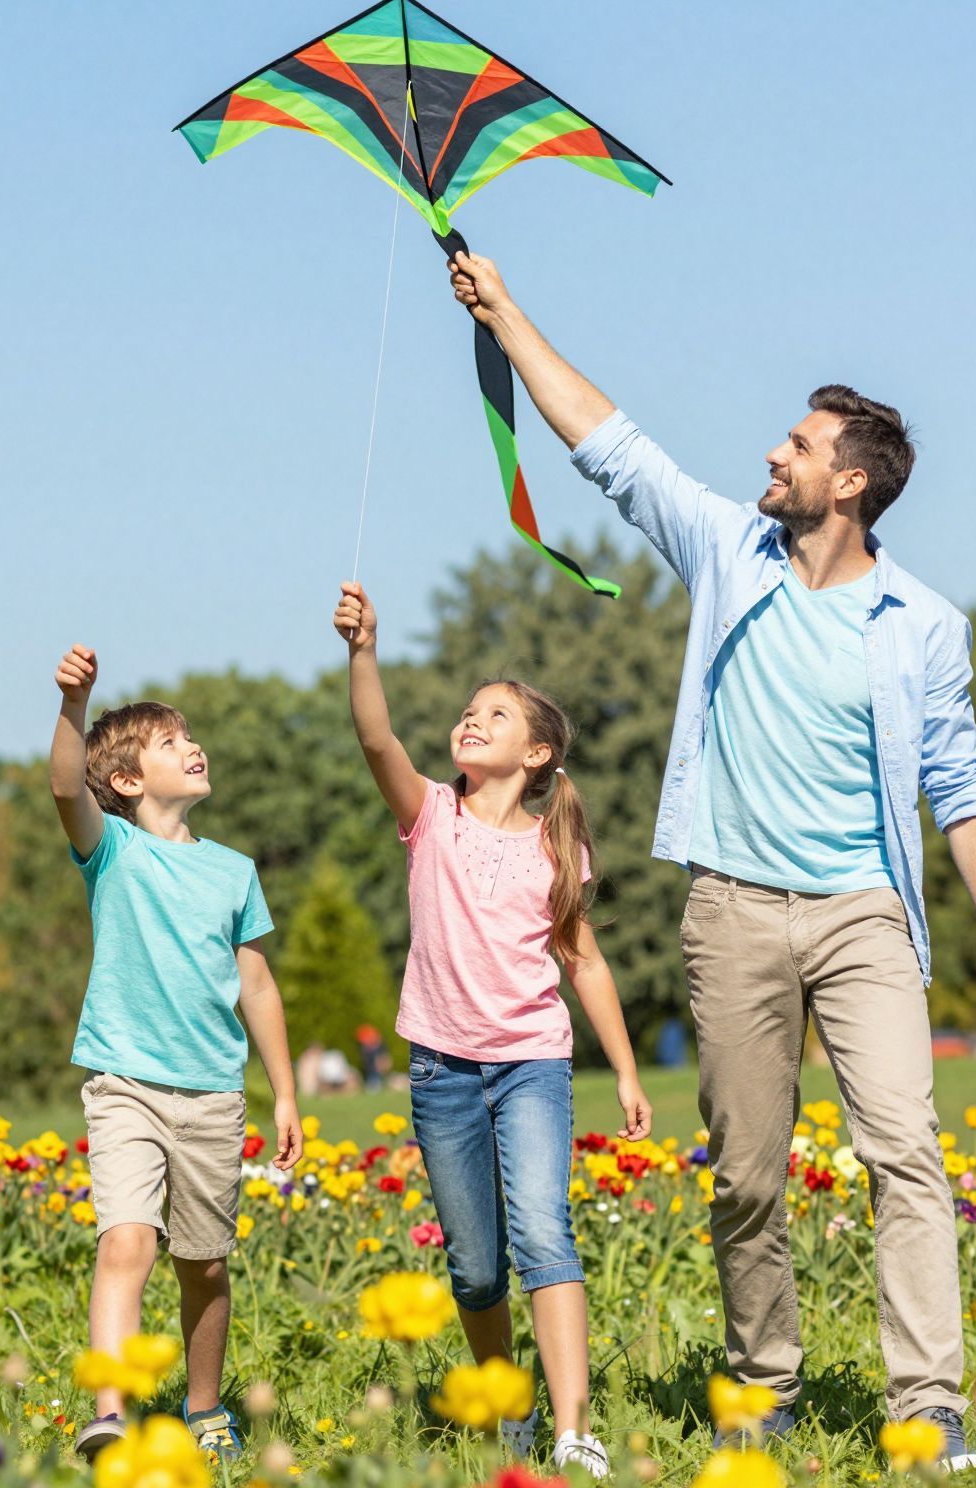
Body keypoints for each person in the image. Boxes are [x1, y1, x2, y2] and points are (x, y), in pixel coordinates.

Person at [447, 252, 976, 1470]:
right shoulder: (726, 552)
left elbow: (962, 783)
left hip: (865, 915)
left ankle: (926, 1408)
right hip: (733, 910)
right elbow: (606, 444)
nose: (772, 453)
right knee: (746, 1177)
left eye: (797, 446)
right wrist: (503, 313)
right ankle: (762, 1384)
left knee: (904, 1154)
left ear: (848, 483)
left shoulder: (921, 627)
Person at [334, 582, 653, 1480]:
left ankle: (574, 1433)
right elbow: (376, 738)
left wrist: (627, 1072)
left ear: (537, 752)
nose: (471, 720)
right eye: (469, 711)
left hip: (531, 1066)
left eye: (496, 714)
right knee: (476, 1270)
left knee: (546, 1236)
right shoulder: (430, 815)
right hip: (441, 1070)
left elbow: (585, 963)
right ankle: (509, 1411)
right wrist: (364, 650)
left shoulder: (558, 848)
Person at [48, 644, 303, 1464]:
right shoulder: (113, 851)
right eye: (171, 742)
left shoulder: (234, 872)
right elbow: (65, 786)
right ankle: (111, 1413)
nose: (193, 747)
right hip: (125, 1084)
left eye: (190, 737)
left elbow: (256, 985)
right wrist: (74, 705)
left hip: (213, 1095)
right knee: (126, 1242)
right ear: (127, 781)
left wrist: (285, 1093)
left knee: (204, 1267)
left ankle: (204, 1406)